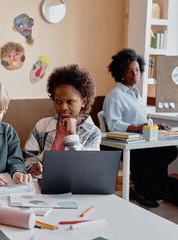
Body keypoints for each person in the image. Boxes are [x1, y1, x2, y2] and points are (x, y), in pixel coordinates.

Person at [103, 48, 177, 208]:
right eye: (129, 71)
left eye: (137, 70)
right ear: (121, 72)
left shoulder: (136, 93)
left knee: (169, 150)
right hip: (128, 144)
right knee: (159, 154)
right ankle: (140, 189)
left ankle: (155, 191)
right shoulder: (115, 95)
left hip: (143, 140)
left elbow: (142, 121)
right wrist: (136, 128)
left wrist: (154, 126)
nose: (135, 73)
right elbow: (113, 124)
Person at [23, 64, 101, 178]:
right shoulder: (42, 126)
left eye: (70, 102)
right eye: (58, 102)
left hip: (77, 185)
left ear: (84, 101)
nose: (63, 107)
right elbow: (28, 156)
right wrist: (32, 166)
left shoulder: (93, 133)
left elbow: (86, 165)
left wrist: (72, 134)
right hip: (46, 182)